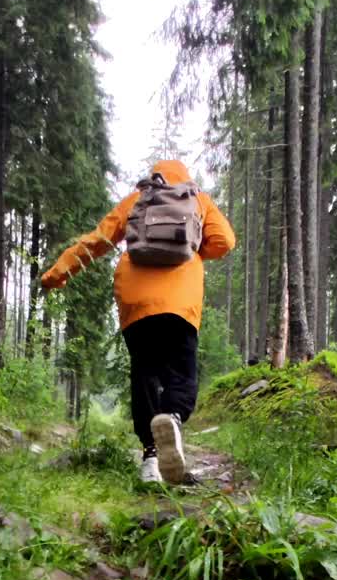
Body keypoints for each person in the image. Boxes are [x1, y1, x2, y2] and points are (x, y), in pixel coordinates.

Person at [41, 159, 236, 483]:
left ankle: (150, 460)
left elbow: (96, 242)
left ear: (154, 176)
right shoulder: (197, 199)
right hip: (180, 302)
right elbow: (225, 241)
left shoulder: (137, 200)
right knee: (181, 376)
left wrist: (55, 274)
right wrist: (194, 250)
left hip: (136, 301)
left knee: (145, 372)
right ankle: (172, 417)